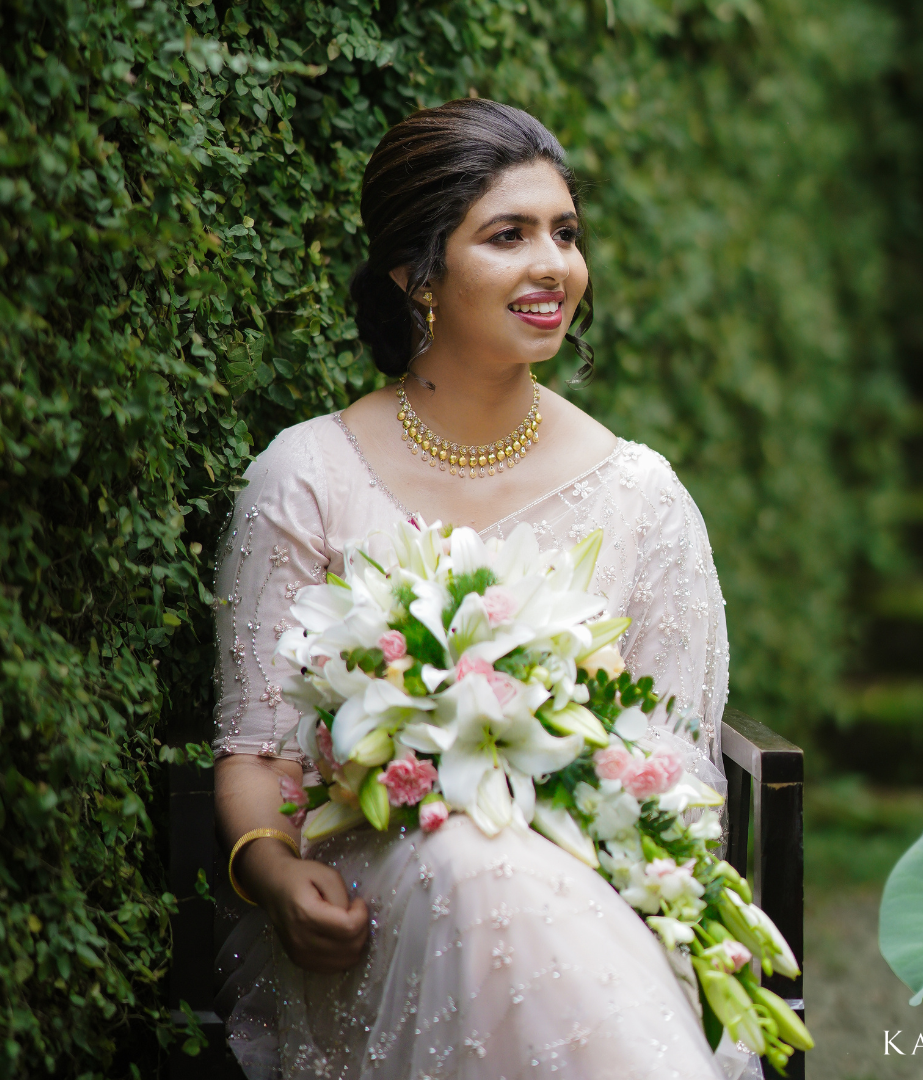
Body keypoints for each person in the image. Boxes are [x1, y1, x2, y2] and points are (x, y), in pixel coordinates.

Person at [212, 98, 734, 1080]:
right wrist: (275, 876)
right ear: (417, 275)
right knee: (466, 866)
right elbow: (254, 749)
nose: (554, 265)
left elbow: (679, 768)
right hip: (376, 893)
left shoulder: (640, 496)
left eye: (565, 233)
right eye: (509, 234)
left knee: (507, 876)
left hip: (594, 887)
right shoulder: (305, 479)